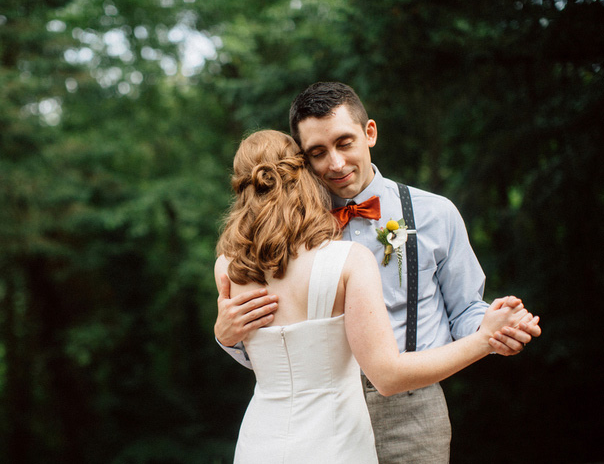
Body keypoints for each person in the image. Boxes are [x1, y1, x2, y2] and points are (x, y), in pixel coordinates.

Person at [215, 82, 542, 463]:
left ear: (369, 132)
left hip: (413, 408)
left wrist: (497, 326)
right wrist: (228, 338)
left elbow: (465, 309)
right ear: (301, 160)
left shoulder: (434, 213)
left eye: (345, 142)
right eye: (318, 152)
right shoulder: (286, 235)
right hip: (324, 414)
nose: (336, 163)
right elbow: (281, 345)